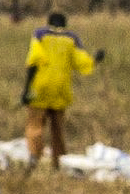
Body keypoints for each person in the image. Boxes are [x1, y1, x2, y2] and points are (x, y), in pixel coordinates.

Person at [21, 12, 105, 169]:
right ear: (65, 24)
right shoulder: (71, 39)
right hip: (61, 89)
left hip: (41, 87)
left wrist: (26, 89)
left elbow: (34, 60)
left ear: (48, 22)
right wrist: (95, 59)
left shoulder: (39, 35)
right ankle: (59, 161)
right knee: (58, 129)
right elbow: (82, 62)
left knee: (35, 126)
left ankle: (34, 156)